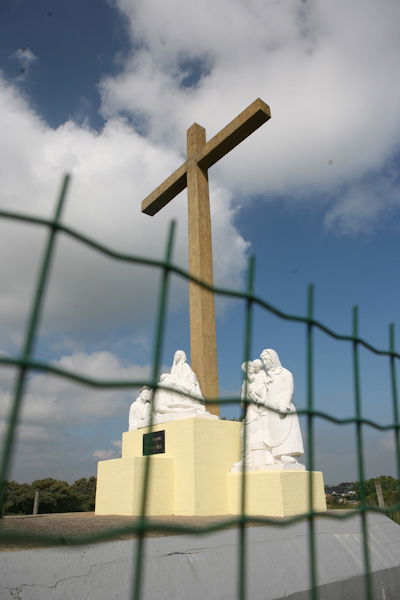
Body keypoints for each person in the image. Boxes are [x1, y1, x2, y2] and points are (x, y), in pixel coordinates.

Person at [260, 349, 304, 463]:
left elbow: (289, 390)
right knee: (273, 433)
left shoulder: (285, 373)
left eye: (265, 360)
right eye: (262, 360)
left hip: (283, 408)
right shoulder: (266, 377)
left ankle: (286, 454)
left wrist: (285, 405)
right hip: (270, 410)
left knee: (286, 433)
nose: (264, 363)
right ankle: (275, 455)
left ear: (272, 359)